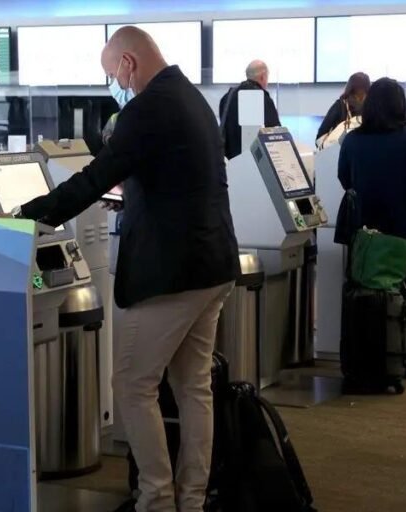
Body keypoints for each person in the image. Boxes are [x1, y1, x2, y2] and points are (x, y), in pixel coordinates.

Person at [14, 26, 238, 512]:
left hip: (171, 273)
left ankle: (156, 501)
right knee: (192, 386)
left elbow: (96, 176)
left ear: (128, 63)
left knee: (132, 386)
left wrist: (29, 216)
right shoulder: (189, 97)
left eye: (111, 71)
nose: (114, 81)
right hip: (212, 262)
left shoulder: (148, 107)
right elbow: (171, 178)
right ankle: (190, 500)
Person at [338, 77, 406, 378]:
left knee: (366, 289)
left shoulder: (353, 139)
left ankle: (368, 356)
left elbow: (345, 179)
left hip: (365, 231)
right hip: (405, 229)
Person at [218, 59, 281, 159]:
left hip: (230, 164)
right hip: (255, 164)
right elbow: (274, 134)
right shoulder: (263, 98)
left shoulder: (227, 97)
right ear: (262, 77)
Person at [317, 72, 371, 144]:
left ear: (350, 87)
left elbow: (320, 136)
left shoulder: (340, 105)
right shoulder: (373, 107)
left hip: (341, 152)